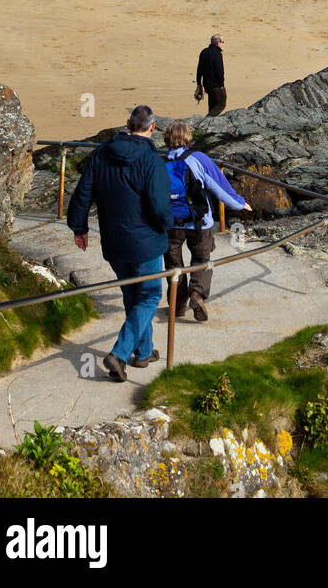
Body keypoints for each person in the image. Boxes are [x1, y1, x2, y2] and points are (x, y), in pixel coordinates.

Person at [67, 105, 173, 382]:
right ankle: (120, 354)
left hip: (114, 242)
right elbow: (161, 207)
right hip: (145, 242)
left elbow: (83, 192)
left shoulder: (102, 153)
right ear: (152, 128)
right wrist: (166, 228)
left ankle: (144, 352)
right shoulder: (152, 161)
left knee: (133, 297)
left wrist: (79, 228)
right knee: (149, 296)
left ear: (127, 124)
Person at [163, 121, 252, 323]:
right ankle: (197, 294)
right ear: (188, 137)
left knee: (173, 265)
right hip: (199, 221)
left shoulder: (161, 163)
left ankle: (177, 306)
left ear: (167, 139)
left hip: (170, 223)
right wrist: (239, 204)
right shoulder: (198, 159)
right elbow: (220, 188)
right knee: (201, 260)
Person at [195, 34, 226, 114]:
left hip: (207, 85)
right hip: (216, 86)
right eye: (222, 42)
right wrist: (221, 84)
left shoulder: (204, 52)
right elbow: (219, 70)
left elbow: (199, 70)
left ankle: (210, 123)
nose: (222, 44)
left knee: (212, 106)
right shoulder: (217, 53)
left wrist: (199, 83)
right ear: (218, 43)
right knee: (221, 104)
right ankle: (207, 121)